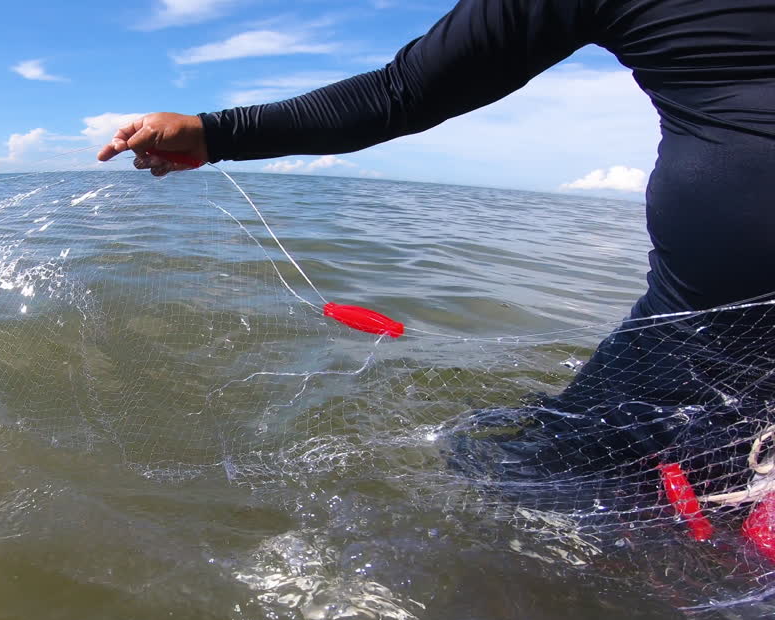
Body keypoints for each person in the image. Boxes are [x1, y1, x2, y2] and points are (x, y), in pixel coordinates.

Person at [98, 0, 775, 507]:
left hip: (700, 330)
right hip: (702, 329)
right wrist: (217, 133)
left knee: (543, 492)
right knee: (538, 488)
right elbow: (403, 92)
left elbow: (402, 94)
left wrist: (215, 134)